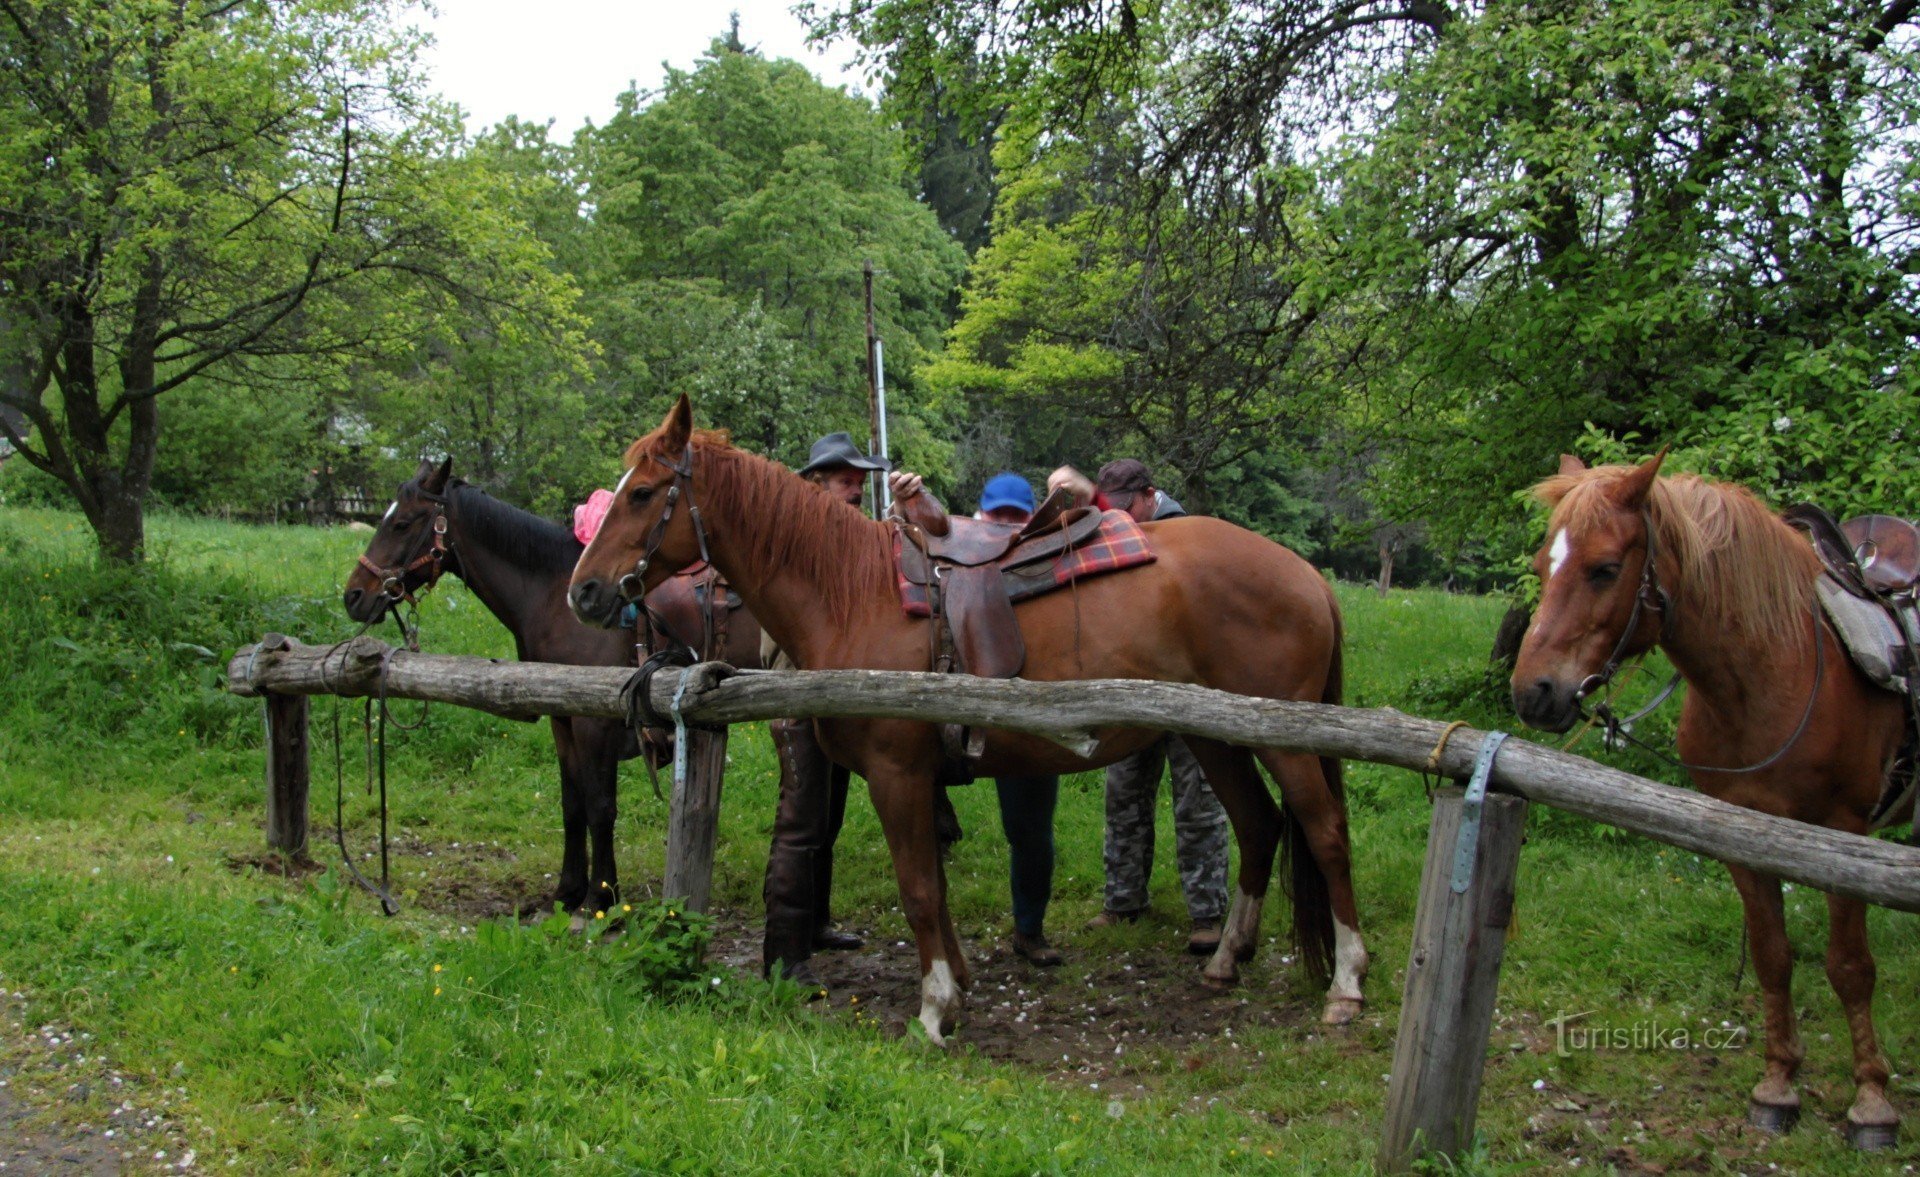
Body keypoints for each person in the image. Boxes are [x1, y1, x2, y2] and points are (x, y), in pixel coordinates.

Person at [761, 432, 946, 985]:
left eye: (858, 478)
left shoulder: (837, 527)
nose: (854, 486)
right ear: (816, 481)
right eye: (845, 477)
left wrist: (900, 510)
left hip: (835, 690)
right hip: (799, 688)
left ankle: (812, 928)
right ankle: (783, 958)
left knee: (827, 819)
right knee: (801, 821)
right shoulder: (799, 527)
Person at [1064, 458, 1231, 956]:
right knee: (1124, 794)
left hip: (1188, 689)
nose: (1123, 518)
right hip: (1133, 688)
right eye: (1112, 508)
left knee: (1197, 800)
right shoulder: (1115, 529)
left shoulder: (1186, 538)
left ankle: (1207, 912)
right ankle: (1123, 900)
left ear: (1150, 495)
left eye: (1128, 508)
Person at [976, 472, 1065, 967]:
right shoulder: (952, 558)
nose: (1005, 524)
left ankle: (1029, 928)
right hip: (951, 705)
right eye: (997, 515)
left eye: (1015, 516)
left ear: (1031, 517)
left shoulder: (1049, 561)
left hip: (1025, 712)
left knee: (1031, 829)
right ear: (980, 514)